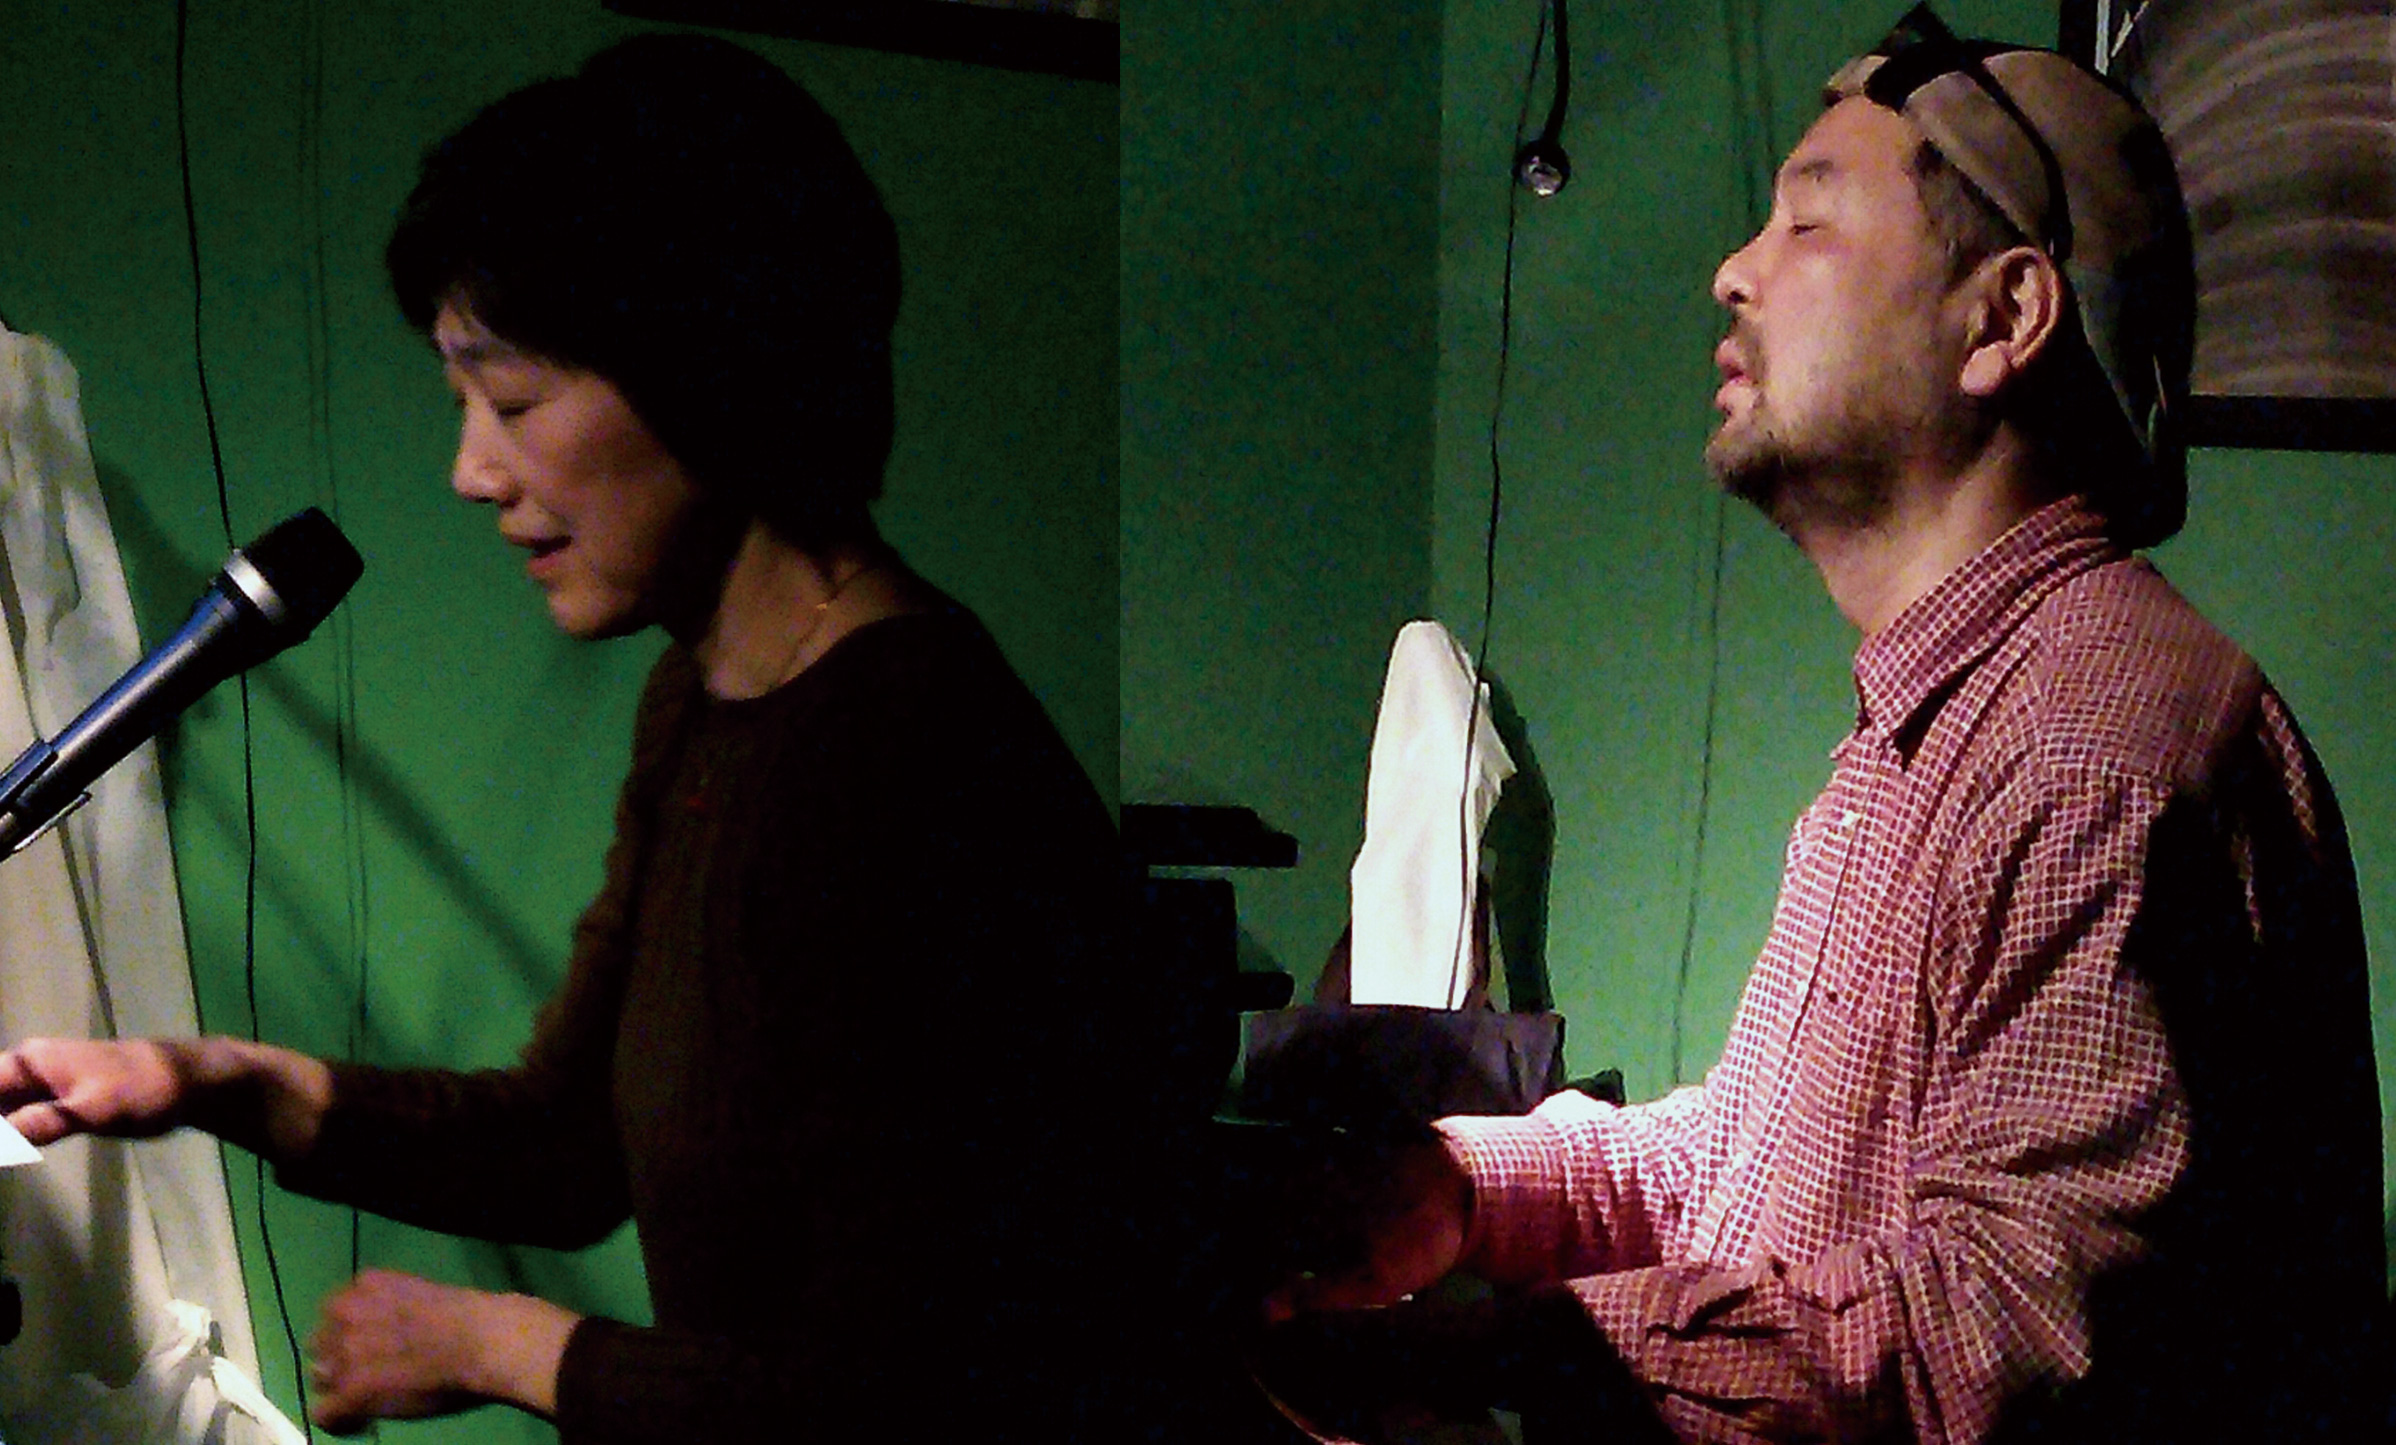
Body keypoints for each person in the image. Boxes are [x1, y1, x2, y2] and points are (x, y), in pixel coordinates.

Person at [0, 34, 1157, 1442]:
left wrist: (510, 1345)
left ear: (712, 366)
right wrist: (208, 1080)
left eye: (513, 402)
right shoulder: (709, 698)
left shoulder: (913, 763)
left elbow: (922, 1388)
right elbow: (569, 1142)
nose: (472, 471)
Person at [1252, 9, 2386, 1443]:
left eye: (1807, 222)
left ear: (2003, 319)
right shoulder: (1936, 724)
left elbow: (1996, 1339)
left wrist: (1502, 1352)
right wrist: (1463, 1187)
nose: (1735, 271)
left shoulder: (2087, 755)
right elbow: (1744, 1161)